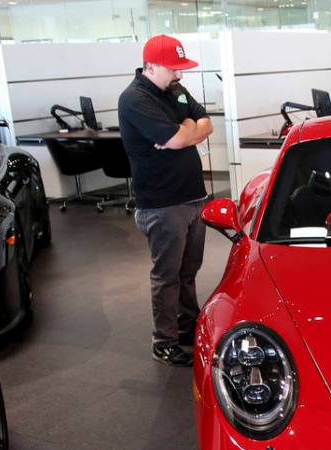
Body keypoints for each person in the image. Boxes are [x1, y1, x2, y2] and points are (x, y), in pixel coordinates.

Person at [118, 34, 213, 367]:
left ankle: (187, 326)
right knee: (167, 276)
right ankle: (165, 340)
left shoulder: (175, 90)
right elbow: (176, 139)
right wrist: (183, 132)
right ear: (151, 66)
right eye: (174, 69)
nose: (180, 76)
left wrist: (186, 128)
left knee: (189, 271)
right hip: (162, 204)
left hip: (192, 198)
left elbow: (206, 124)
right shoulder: (134, 99)